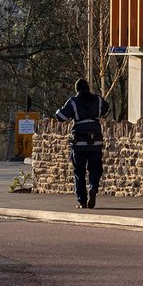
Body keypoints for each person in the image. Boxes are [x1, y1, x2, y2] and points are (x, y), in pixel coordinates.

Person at [54, 77, 109, 210]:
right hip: (95, 140)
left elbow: (61, 117)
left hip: (79, 141)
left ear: (77, 89)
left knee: (79, 171)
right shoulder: (98, 100)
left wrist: (57, 111)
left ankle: (82, 201)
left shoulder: (73, 102)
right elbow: (106, 112)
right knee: (95, 168)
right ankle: (93, 187)